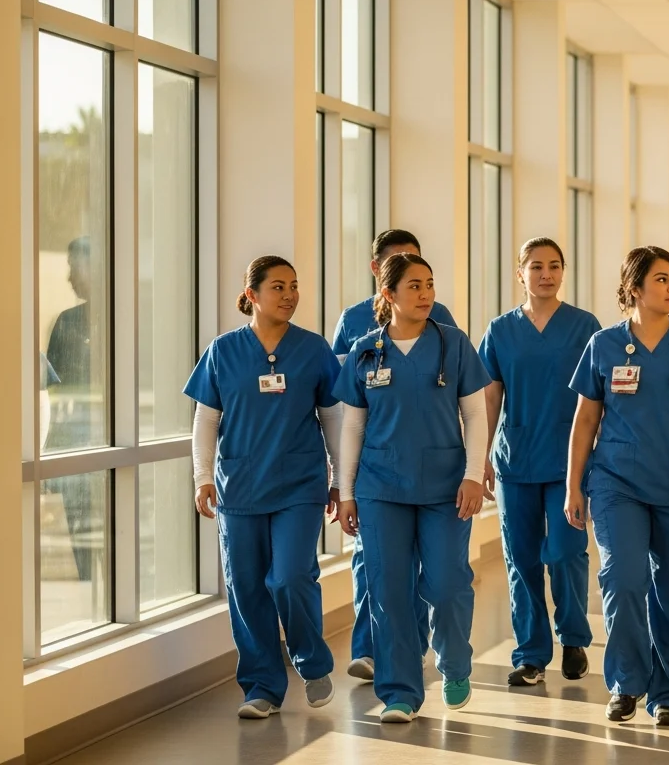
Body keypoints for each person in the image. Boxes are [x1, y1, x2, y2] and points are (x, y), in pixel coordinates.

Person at [565, 246, 669, 726]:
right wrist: (574, 485)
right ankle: (625, 683)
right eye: (661, 279)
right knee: (622, 578)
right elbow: (585, 420)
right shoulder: (603, 345)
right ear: (634, 289)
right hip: (618, 482)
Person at [334, 253, 491, 723]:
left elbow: (476, 414)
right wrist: (345, 491)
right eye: (414, 286)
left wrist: (472, 473)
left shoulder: (453, 344)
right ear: (388, 294)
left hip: (446, 486)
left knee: (445, 584)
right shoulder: (367, 350)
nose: (425, 294)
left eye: (429, 284)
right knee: (388, 591)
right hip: (381, 487)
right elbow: (352, 428)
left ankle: (454, 661)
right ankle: (400, 690)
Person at [183, 256, 341, 719]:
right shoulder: (223, 351)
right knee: (248, 588)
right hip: (240, 487)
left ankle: (312, 664)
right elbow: (205, 420)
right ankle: (262, 688)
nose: (290, 294)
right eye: (278, 287)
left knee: (290, 577)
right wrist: (202, 477)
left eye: (294, 285)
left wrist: (340, 480)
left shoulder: (313, 350)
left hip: (300, 485)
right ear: (252, 295)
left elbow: (332, 418)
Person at [330, 228, 457, 682]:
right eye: (401, 264)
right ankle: (372, 650)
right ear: (378, 272)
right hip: (378, 469)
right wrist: (342, 482)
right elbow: (348, 409)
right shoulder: (353, 322)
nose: (419, 284)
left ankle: (414, 644)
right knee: (377, 565)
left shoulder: (441, 320)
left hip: (433, 467)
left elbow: (454, 388)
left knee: (431, 571)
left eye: (420, 267)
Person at [480, 237, 600, 687]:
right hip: (516, 460)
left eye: (553, 265)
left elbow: (599, 397)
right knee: (521, 558)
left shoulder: (585, 326)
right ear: (520, 274)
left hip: (570, 462)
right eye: (536, 267)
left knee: (567, 552)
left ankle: (572, 638)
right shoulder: (500, 331)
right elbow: (490, 397)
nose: (545, 274)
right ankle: (530, 652)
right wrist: (482, 458)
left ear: (563, 272)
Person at [46, 236, 102, 582]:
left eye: (73, 267)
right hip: (76, 445)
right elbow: (59, 398)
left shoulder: (133, 320)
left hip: (108, 444)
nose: (69, 278)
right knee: (81, 538)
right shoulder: (67, 322)